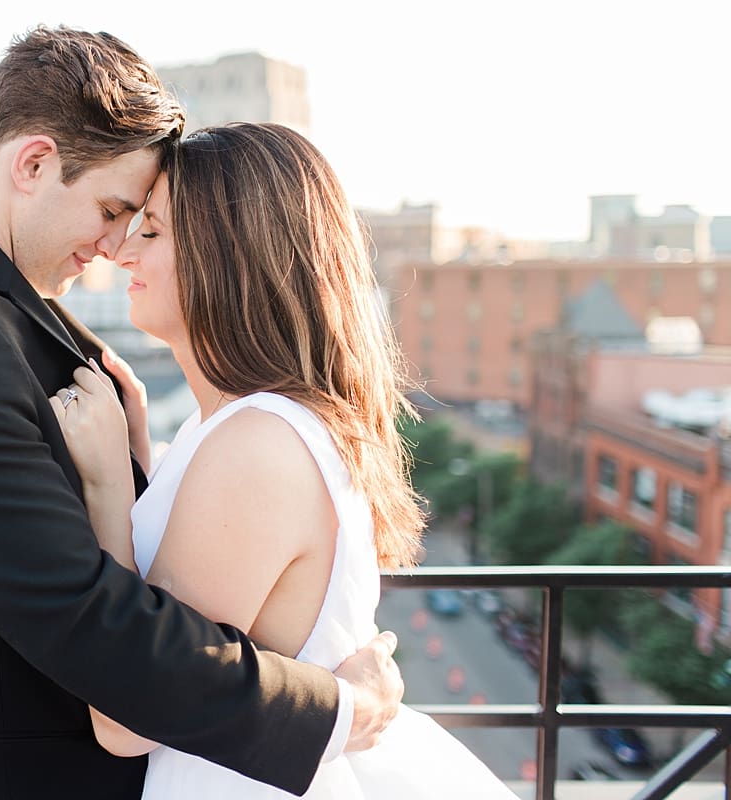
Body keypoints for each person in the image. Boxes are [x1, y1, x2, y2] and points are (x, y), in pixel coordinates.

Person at [0, 26, 404, 800]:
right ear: (33, 164)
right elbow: (85, 617)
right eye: (114, 209)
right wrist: (337, 708)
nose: (113, 245)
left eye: (144, 225)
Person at [52, 122, 520, 798]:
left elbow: (130, 717)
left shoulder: (258, 443)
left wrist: (103, 484)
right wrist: (139, 459)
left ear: (229, 258)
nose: (122, 250)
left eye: (151, 232)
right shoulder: (248, 427)